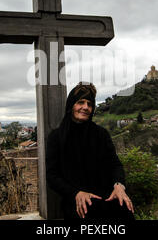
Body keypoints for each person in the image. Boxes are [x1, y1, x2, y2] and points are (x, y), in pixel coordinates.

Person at [46, 82, 135, 220]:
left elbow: (115, 164)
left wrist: (119, 185)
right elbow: (52, 175)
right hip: (78, 201)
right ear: (71, 105)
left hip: (106, 197)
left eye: (89, 104)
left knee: (125, 209)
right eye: (80, 102)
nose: (85, 107)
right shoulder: (57, 137)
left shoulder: (101, 134)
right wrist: (75, 193)